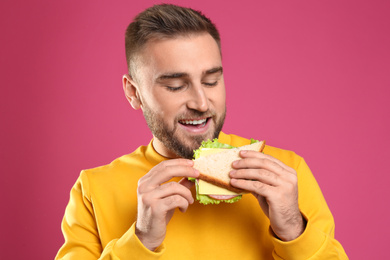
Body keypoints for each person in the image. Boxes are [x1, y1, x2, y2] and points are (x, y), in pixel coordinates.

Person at [56, 4, 348, 259]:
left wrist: (294, 229)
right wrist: (142, 240)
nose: (201, 102)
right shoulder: (93, 190)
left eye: (211, 81)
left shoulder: (284, 174)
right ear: (134, 93)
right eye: (175, 86)